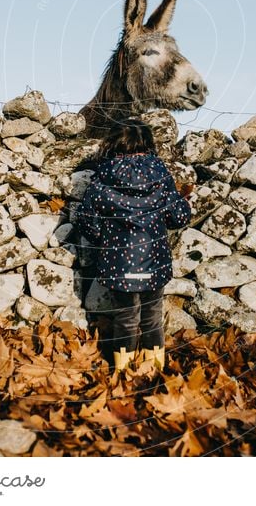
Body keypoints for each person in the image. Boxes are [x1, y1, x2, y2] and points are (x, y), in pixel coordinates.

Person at [74, 117, 192, 372]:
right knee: (152, 317)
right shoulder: (161, 176)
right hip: (154, 260)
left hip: (117, 262)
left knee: (126, 318)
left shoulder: (102, 178)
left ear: (112, 143)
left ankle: (123, 371)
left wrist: (104, 240)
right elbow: (179, 217)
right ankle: (155, 369)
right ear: (149, 143)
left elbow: (87, 221)